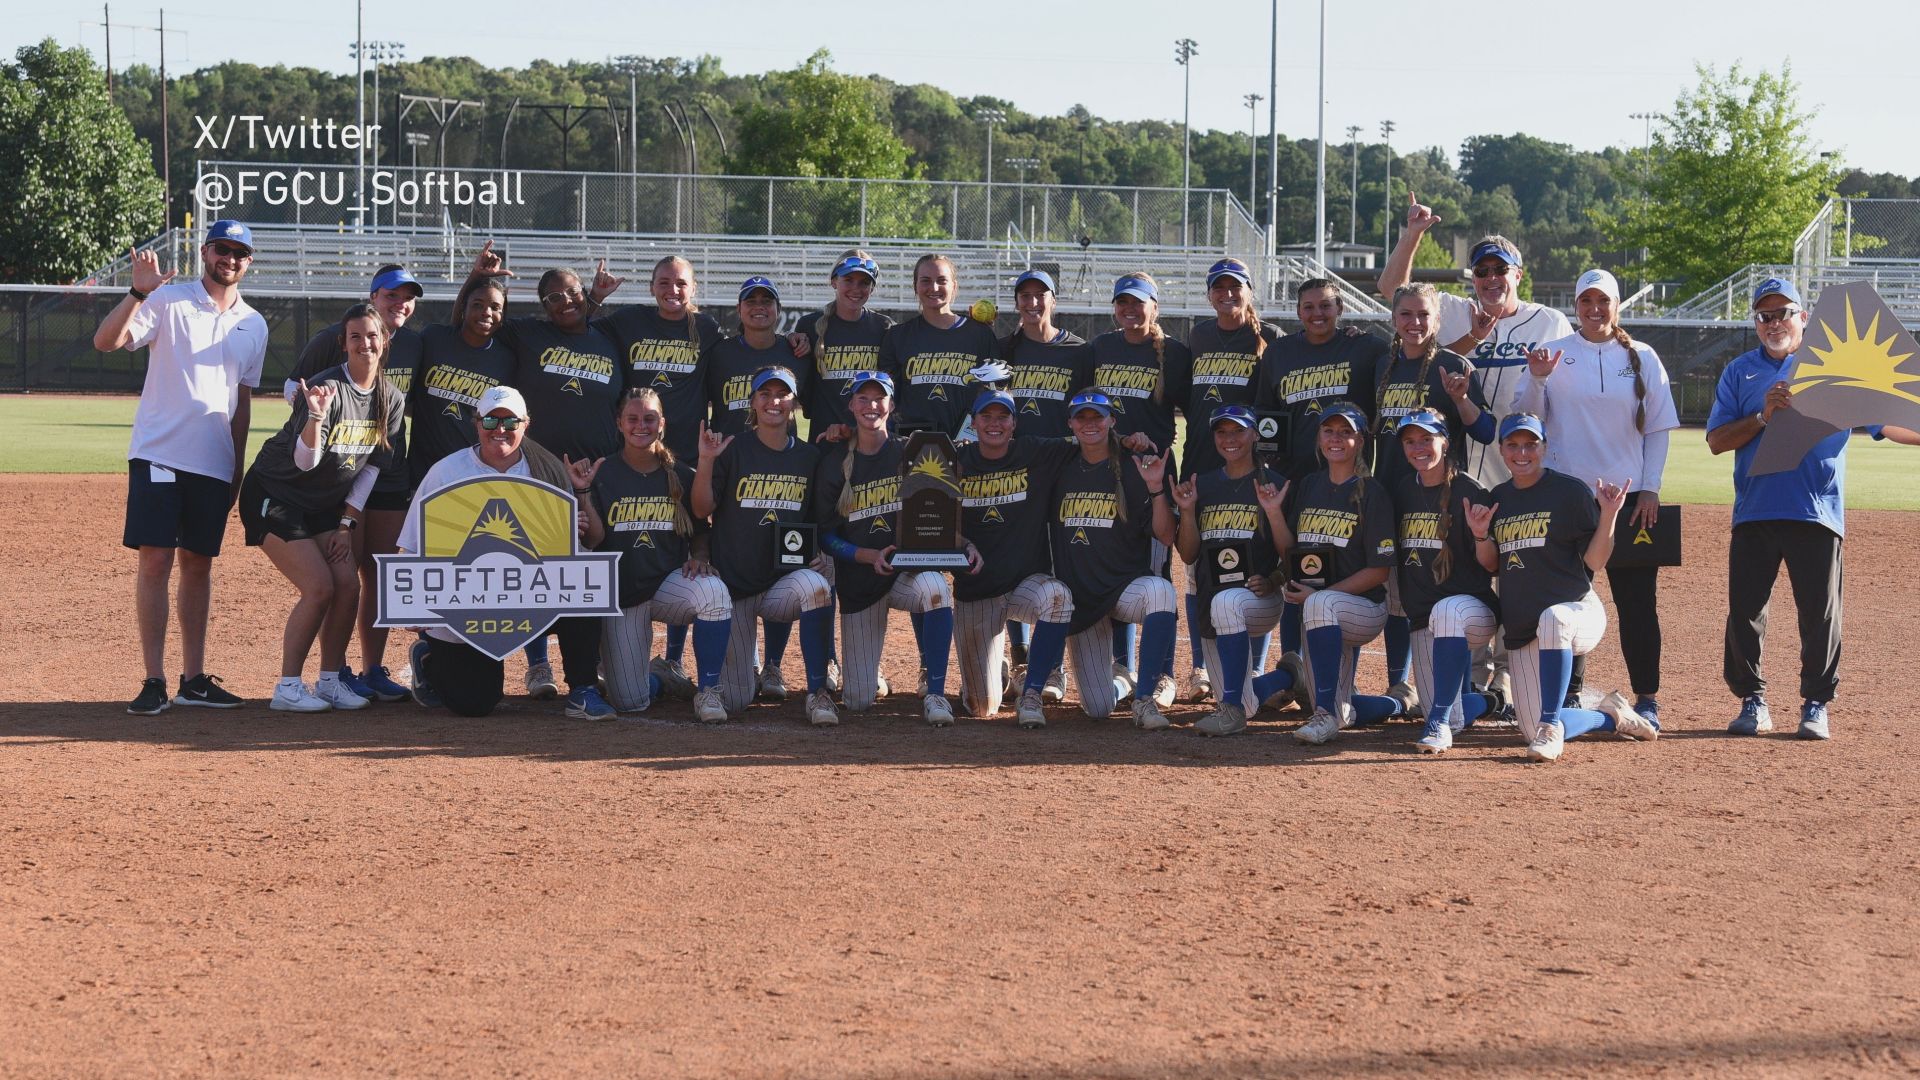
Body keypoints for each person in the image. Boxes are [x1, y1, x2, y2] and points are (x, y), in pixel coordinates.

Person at [1705, 278, 1920, 740]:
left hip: (1817, 511)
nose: (1774, 322)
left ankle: (1816, 704)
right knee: (1745, 612)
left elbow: (1887, 421)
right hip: (1755, 511)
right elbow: (1717, 442)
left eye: (1783, 312)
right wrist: (1763, 416)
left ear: (1804, 317)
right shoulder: (1739, 371)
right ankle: (1752, 700)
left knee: (1820, 614)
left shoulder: (1836, 366)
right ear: (1756, 324)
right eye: (1764, 316)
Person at [94, 219, 267, 715]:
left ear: (248, 261)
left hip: (213, 462)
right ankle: (154, 679)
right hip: (160, 454)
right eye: (221, 249)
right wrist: (136, 293)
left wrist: (235, 470)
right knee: (155, 559)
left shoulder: (253, 324)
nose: (229, 258)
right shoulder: (168, 300)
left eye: (239, 252)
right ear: (205, 251)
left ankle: (194, 679)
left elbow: (243, 402)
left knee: (198, 565)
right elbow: (105, 342)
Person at [1514, 269, 1679, 725]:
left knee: (1637, 603)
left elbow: (1659, 428)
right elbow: (1526, 419)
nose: (1594, 309)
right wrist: (1539, 378)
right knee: (1567, 600)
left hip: (1626, 500)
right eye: (1585, 301)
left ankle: (1647, 698)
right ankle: (1569, 694)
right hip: (1567, 500)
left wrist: (1650, 487)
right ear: (1576, 305)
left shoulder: (1643, 356)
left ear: (1616, 305)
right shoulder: (1557, 354)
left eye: (1602, 301)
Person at [396, 386, 617, 720]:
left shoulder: (547, 470)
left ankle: (583, 687)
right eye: (491, 420)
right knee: (474, 704)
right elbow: (410, 545)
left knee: (581, 582)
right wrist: (412, 604)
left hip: (527, 592)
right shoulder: (446, 473)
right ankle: (430, 655)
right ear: (476, 423)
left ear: (525, 424)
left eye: (510, 421)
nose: (500, 429)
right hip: (469, 600)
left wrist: (570, 528)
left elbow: (576, 549)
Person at [238, 304, 406, 711]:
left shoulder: (392, 399)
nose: (365, 344)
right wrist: (315, 416)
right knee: (319, 587)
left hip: (324, 504)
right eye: (355, 337)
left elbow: (370, 471)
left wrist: (347, 523)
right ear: (343, 345)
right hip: (274, 493)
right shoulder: (326, 387)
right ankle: (288, 687)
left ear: (384, 342)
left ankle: (330, 680)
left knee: (349, 585)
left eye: (372, 336)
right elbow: (304, 463)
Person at [1467, 413, 1656, 761]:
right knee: (1528, 727)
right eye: (1513, 445)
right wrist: (1480, 534)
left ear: (1544, 447)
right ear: (1502, 450)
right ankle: (1611, 715)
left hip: (1576, 611)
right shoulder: (1499, 497)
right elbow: (1492, 564)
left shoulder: (1568, 492)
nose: (1522, 452)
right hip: (1524, 627)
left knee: (1554, 620)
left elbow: (1596, 561)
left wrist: (1610, 515)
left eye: (1530, 445)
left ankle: (1552, 723)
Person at [285, 265, 425, 703]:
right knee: (345, 571)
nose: (399, 303)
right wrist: (325, 421)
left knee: (379, 573)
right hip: (344, 474)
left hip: (387, 471)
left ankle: (373, 668)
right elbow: (296, 386)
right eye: (390, 295)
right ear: (373, 297)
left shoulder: (416, 344)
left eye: (407, 297)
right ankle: (335, 669)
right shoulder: (335, 336)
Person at [1378, 194, 1572, 489]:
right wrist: (1413, 234)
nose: (1491, 278)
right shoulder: (1453, 311)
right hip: (1459, 470)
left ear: (1518, 275)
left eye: (1500, 269)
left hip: (1525, 463)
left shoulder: (1550, 322)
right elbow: (1394, 289)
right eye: (1482, 271)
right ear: (1473, 278)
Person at [1255, 276, 1387, 697]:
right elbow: (1267, 416)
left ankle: (1340, 670)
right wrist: (1273, 470)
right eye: (1308, 307)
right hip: (1298, 478)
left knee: (1343, 565)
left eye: (1325, 306)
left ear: (1341, 309)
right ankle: (1294, 660)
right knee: (1300, 565)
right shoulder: (1279, 353)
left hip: (1351, 479)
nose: (1317, 314)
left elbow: (1404, 356)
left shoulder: (1363, 347)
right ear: (1297, 313)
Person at [1369, 283, 1493, 718]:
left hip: (1440, 499)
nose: (1414, 323)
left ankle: (1460, 690)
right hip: (1391, 491)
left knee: (1442, 586)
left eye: (1423, 315)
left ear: (1437, 320)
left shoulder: (1453, 364)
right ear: (1394, 319)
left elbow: (1486, 432)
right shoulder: (1383, 364)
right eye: (1406, 314)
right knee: (1399, 590)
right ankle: (1397, 681)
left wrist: (1460, 399)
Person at [813, 372, 963, 726]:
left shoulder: (911, 452)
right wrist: (864, 555)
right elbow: (825, 536)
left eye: (879, 398)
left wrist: (957, 546)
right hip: (860, 582)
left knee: (937, 587)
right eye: (862, 399)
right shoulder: (835, 462)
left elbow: (941, 515)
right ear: (850, 406)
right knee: (859, 702)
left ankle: (937, 692)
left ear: (891, 405)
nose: (870, 406)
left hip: (903, 574)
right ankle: (866, 674)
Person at [692, 367, 839, 724]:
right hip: (734, 588)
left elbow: (819, 520)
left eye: (782, 394)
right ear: (753, 402)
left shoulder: (808, 457)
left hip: (781, 585)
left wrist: (823, 555)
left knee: (818, 586)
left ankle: (818, 692)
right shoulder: (733, 449)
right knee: (737, 700)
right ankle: (724, 683)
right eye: (765, 394)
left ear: (794, 403)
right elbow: (701, 509)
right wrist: (707, 461)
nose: (774, 401)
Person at [576, 388, 731, 722]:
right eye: (632, 419)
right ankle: (661, 678)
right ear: (619, 423)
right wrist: (584, 494)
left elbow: (702, 530)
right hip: (623, 595)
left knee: (714, 592)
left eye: (649, 418)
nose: (640, 426)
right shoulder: (603, 473)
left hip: (667, 586)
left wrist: (700, 556)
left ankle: (708, 691)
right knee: (631, 702)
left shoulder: (680, 474)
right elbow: (595, 538)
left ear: (662, 424)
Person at [1177, 258, 1281, 704]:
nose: (1227, 294)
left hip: (1249, 469)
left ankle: (1255, 668)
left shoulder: (1268, 338)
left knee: (1252, 564)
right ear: (1209, 294)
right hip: (1201, 464)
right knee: (1200, 571)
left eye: (1234, 287)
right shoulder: (1199, 336)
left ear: (1248, 291)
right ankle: (1202, 667)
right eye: (1218, 288)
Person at [1083, 273, 1190, 706]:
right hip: (1108, 472)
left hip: (1154, 472)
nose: (1130, 310)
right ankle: (1120, 664)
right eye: (1122, 302)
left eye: (1138, 302)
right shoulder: (1100, 348)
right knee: (1115, 560)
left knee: (1157, 570)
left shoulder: (1176, 354)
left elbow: (1193, 409)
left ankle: (1164, 673)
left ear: (1154, 307)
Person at [1049, 391, 1179, 730]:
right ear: (1070, 424)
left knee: (1161, 592)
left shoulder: (1134, 464)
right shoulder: (1059, 462)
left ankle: (1145, 698)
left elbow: (1166, 537)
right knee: (1098, 708)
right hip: (1082, 599)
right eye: (1082, 417)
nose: (1090, 424)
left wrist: (1156, 489)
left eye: (1098, 417)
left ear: (1112, 421)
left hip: (1124, 589)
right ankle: (1126, 682)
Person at [952, 389, 1078, 726]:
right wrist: (962, 542)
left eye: (1002, 417)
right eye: (986, 417)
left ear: (1014, 423)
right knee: (981, 707)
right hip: (978, 591)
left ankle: (1033, 690)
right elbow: (934, 522)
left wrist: (1130, 440)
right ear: (974, 423)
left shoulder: (1035, 451)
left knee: (1058, 596)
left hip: (1026, 584)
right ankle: (998, 668)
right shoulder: (956, 461)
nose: (995, 424)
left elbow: (1090, 440)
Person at [1280, 403, 1402, 746]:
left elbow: (1379, 572)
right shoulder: (1309, 485)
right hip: (1321, 609)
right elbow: (1289, 550)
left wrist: (1321, 597)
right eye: (1329, 431)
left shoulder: (1372, 493)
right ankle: (1397, 703)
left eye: (1346, 432)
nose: (1336, 438)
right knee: (1342, 705)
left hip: (1364, 609)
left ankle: (1323, 717)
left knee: (1326, 704)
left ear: (1361, 441)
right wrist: (1275, 513)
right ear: (1319, 437)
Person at [1168, 405, 1293, 737]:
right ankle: (1290, 676)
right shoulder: (1204, 485)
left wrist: (1273, 580)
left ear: (1254, 434)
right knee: (1248, 700)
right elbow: (1189, 553)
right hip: (1213, 603)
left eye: (1238, 431)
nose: (1230, 439)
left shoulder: (1273, 483)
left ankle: (1231, 711)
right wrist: (1189, 512)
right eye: (1222, 432)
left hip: (1259, 599)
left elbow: (1292, 554)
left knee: (1229, 603)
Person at [1389, 411, 1502, 754]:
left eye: (1426, 439)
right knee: (1453, 714)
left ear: (1445, 442)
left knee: (1449, 610)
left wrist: (1481, 535)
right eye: (1410, 441)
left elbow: (1492, 565)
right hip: (1425, 619)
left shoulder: (1469, 491)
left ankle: (1436, 722)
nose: (1418, 447)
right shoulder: (1404, 490)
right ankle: (1488, 701)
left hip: (1471, 612)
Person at [879, 254, 998, 437]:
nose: (934, 287)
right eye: (925, 281)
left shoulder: (980, 334)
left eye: (942, 280)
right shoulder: (897, 336)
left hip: (968, 442)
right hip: (913, 443)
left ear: (954, 286)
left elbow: (993, 392)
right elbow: (887, 397)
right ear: (915, 287)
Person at [791, 251, 895, 432]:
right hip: (824, 438)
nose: (856, 288)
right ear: (834, 281)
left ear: (872, 288)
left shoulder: (884, 327)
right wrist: (788, 337)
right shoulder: (809, 325)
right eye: (848, 279)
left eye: (864, 283)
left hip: (869, 440)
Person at [708, 277, 803, 437]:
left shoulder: (797, 353)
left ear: (778, 308)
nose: (759, 307)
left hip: (781, 457)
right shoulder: (718, 353)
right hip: (728, 456)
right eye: (751, 301)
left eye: (766, 301)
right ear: (739, 309)